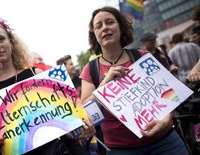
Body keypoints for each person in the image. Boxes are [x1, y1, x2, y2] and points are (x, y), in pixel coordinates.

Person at [0, 18, 94, 155]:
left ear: (11, 43)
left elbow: (69, 119)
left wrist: (82, 127)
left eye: (1, 39)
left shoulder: (36, 74)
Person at [80, 6, 188, 155]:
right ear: (95, 34)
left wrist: (166, 119)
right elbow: (85, 111)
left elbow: (170, 94)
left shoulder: (142, 56)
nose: (105, 28)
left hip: (166, 142)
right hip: (121, 149)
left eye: (110, 22)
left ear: (120, 27)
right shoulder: (90, 69)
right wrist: (104, 85)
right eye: (99, 25)